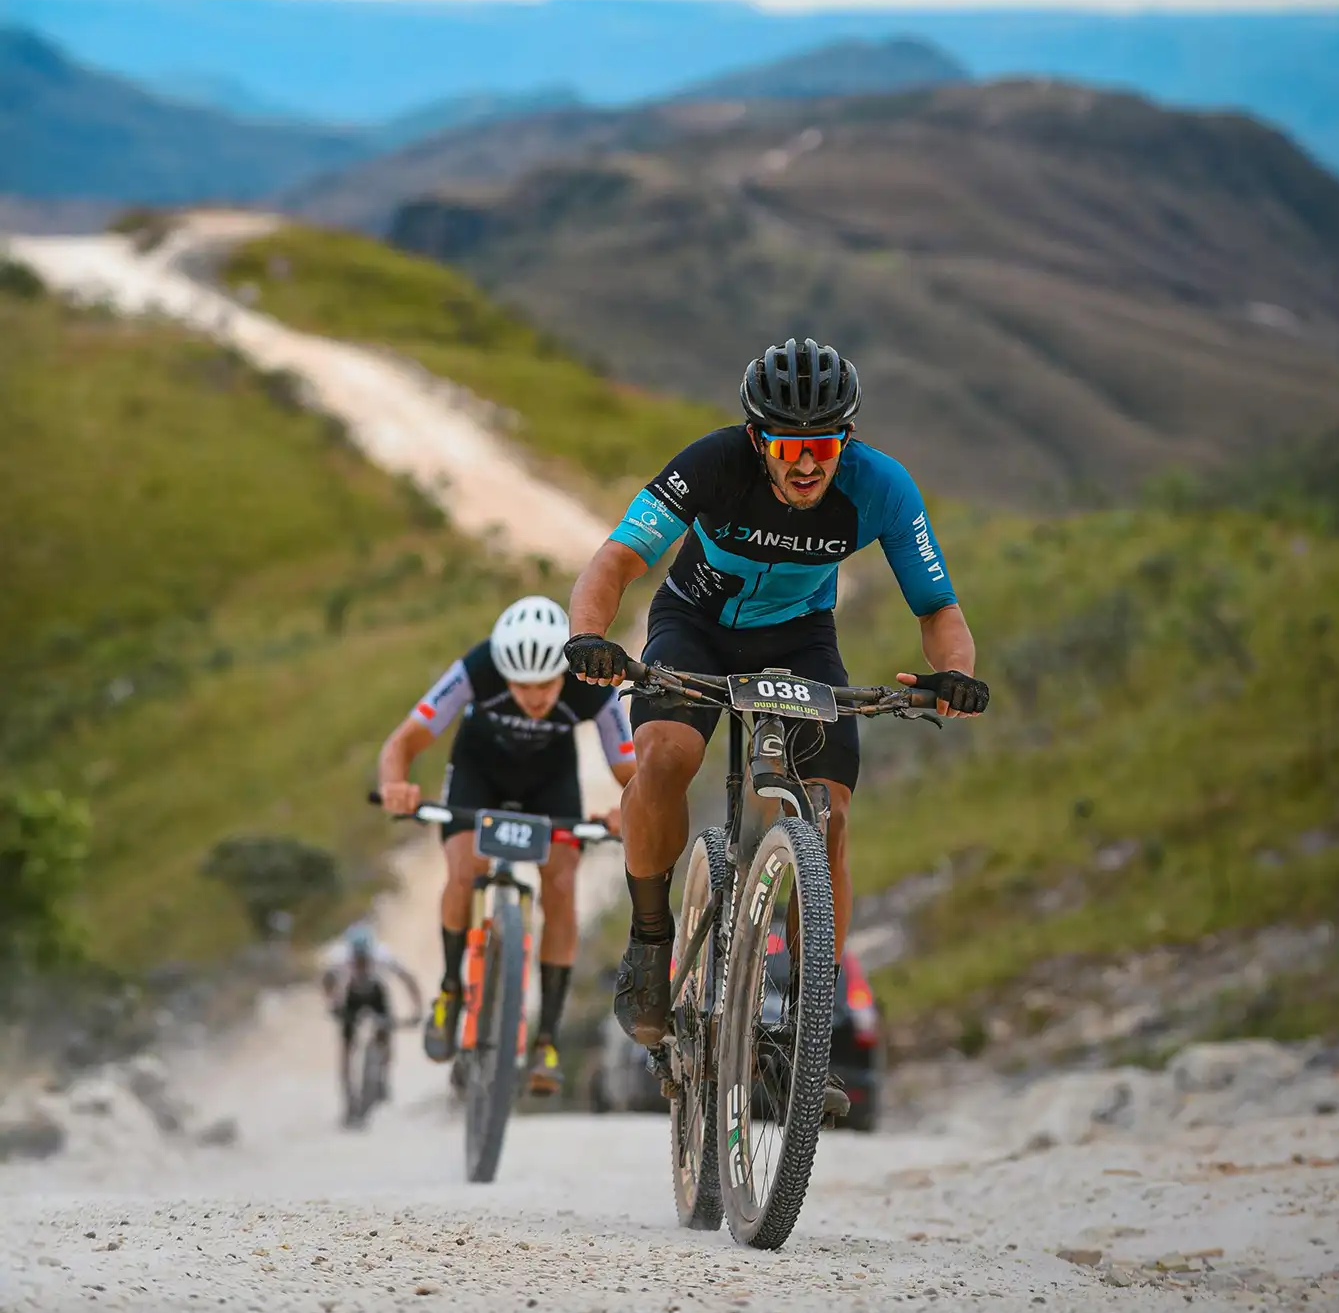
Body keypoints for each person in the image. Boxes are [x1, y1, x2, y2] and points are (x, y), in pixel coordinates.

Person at [558, 336, 988, 1050]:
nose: (810, 465)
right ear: (758, 441)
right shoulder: (712, 463)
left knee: (833, 815)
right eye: (790, 449)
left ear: (846, 438)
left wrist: (956, 673)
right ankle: (649, 937)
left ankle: (809, 1016)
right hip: (694, 626)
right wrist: (588, 636)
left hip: (799, 641)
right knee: (663, 756)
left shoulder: (881, 486)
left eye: (825, 445)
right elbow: (617, 559)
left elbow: (939, 609)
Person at [373, 594, 635, 1096]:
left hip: (550, 784)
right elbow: (402, 742)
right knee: (463, 868)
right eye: (521, 686)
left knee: (560, 884)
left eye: (545, 686)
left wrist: (628, 806)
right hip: (479, 774)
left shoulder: (589, 689)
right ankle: (450, 990)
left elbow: (630, 770)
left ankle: (546, 1041)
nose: (535, 699)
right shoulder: (477, 667)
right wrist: (396, 784)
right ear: (501, 670)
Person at [319, 919, 419, 1070]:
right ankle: (347, 1078)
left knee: (384, 1031)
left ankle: (384, 1065)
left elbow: (408, 980)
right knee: (348, 1040)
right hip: (351, 995)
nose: (361, 964)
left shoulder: (382, 956)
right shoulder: (339, 958)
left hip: (376, 994)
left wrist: (416, 1009)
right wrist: (331, 1002)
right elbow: (326, 980)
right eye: (357, 960)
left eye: (364, 960)